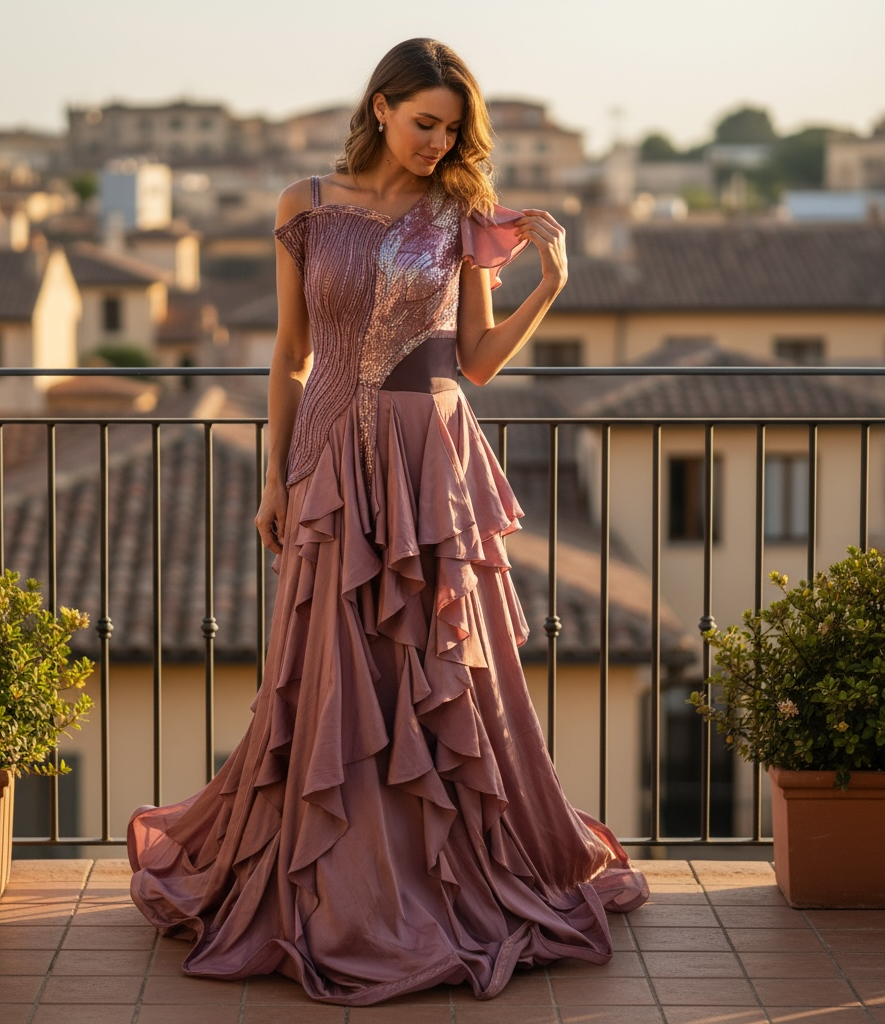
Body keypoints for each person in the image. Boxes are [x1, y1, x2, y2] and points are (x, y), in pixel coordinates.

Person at [128, 37, 649, 1005]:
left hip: (425, 456)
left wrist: (551, 283)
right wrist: (277, 477)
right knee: (331, 668)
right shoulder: (304, 206)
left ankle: (432, 878)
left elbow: (479, 358)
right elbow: (288, 352)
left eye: (450, 129)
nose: (437, 141)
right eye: (423, 123)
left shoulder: (455, 215)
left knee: (431, 670)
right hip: (331, 451)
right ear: (379, 109)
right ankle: (336, 876)